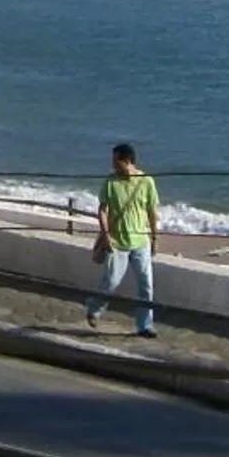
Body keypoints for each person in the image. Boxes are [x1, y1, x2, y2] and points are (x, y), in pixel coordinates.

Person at [86, 142, 162, 337]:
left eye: (115, 160)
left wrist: (154, 239)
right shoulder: (111, 182)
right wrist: (105, 235)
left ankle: (145, 325)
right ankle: (94, 309)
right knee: (111, 281)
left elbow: (152, 212)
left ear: (127, 160)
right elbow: (102, 210)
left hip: (141, 242)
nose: (112, 165)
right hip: (118, 242)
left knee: (146, 285)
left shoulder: (146, 182)